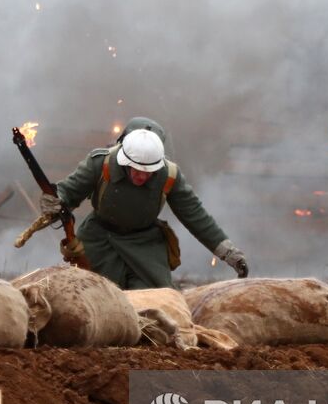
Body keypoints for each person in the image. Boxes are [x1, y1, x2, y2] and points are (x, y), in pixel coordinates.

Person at [39, 116, 248, 289]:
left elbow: (195, 216)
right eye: (136, 170)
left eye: (147, 172)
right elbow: (68, 191)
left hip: (145, 245)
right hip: (98, 241)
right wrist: (55, 202)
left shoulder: (170, 175)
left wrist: (228, 253)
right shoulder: (100, 163)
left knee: (154, 305)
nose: (141, 176)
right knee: (91, 297)